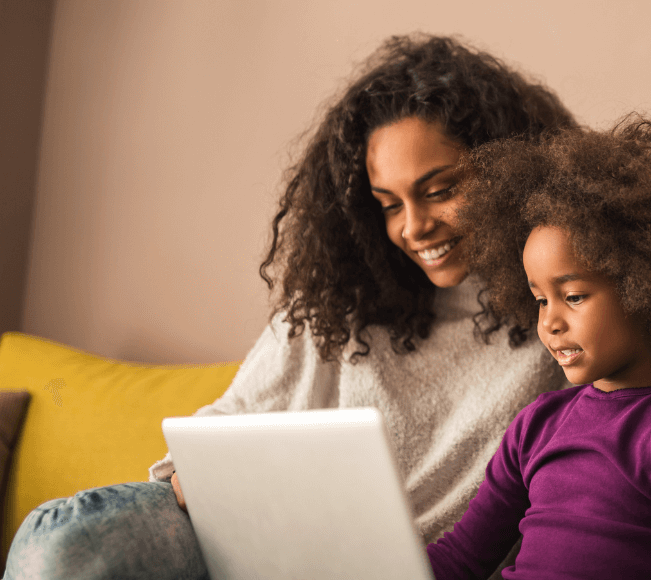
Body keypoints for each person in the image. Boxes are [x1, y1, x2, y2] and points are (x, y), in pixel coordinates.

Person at [5, 34, 576, 580]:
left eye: (439, 189)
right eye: (388, 204)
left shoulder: (557, 311)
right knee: (63, 537)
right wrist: (197, 474)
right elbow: (228, 421)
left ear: (508, 172)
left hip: (413, 566)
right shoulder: (341, 300)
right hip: (247, 539)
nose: (413, 227)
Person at [425, 117, 651, 579]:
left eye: (573, 297)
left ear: (648, 286)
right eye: (540, 299)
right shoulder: (537, 425)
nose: (549, 321)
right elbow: (461, 559)